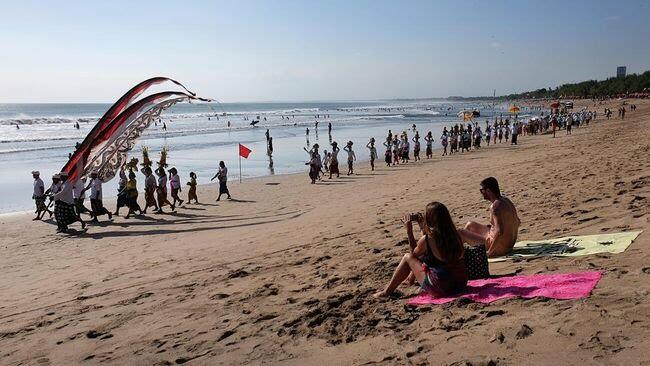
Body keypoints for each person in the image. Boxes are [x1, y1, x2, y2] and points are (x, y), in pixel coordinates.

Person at [373, 202, 467, 298]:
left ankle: (386, 292)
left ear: (429, 219)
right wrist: (422, 228)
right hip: (460, 285)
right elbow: (428, 250)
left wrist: (409, 231)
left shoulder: (428, 239)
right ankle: (410, 280)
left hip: (441, 288)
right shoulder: (458, 234)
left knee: (407, 257)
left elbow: (414, 255)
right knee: (427, 256)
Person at [458, 177, 521, 257]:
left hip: (499, 248)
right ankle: (461, 250)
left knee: (460, 233)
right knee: (470, 225)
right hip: (508, 244)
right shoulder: (506, 201)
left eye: (482, 190)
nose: (481, 193)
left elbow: (499, 232)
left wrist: (490, 252)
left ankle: (454, 255)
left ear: (488, 191)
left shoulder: (495, 207)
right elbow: (518, 222)